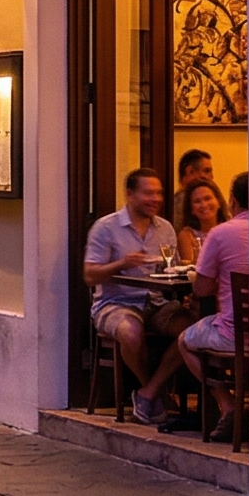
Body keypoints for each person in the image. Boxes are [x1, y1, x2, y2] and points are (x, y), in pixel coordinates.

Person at [135, 170, 248, 435]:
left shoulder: (220, 234)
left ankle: (228, 406)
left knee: (186, 340)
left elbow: (202, 288)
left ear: (231, 201)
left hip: (233, 334)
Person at [83, 169, 177, 407]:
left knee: (192, 332)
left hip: (156, 302)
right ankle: (153, 393)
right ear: (130, 195)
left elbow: (171, 269)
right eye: (148, 193)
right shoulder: (106, 227)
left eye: (159, 193)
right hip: (115, 303)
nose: (155, 199)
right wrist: (122, 263)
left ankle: (149, 393)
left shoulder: (165, 228)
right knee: (131, 333)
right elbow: (89, 276)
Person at [176, 173, 224, 267]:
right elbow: (191, 270)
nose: (204, 205)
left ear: (219, 202)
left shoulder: (229, 231)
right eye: (197, 201)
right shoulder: (187, 235)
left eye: (208, 198)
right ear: (191, 209)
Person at [173, 148, 217, 232]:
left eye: (207, 199)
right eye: (207, 171)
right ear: (190, 171)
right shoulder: (180, 202)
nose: (211, 177)